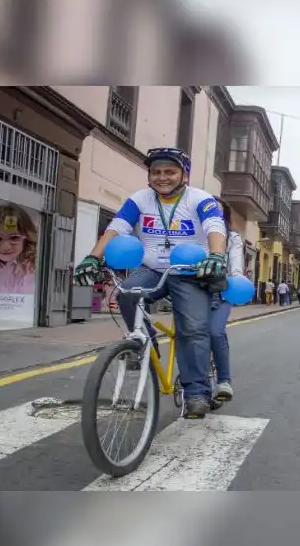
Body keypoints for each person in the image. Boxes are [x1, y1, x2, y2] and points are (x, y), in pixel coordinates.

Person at [73, 147, 228, 419]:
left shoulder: (201, 199)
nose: (162, 177)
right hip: (152, 269)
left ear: (184, 175)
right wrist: (92, 257)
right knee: (126, 293)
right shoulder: (140, 199)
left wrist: (215, 255)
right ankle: (144, 345)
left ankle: (196, 392)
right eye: (155, 172)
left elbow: (215, 227)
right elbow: (117, 227)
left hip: (189, 272)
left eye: (169, 171)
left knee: (193, 329)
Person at [206, 196, 244, 404]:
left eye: (218, 211)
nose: (214, 215)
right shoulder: (195, 233)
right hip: (193, 290)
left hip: (221, 291)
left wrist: (236, 277)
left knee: (215, 332)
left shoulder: (232, 238)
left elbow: (236, 265)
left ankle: (223, 381)